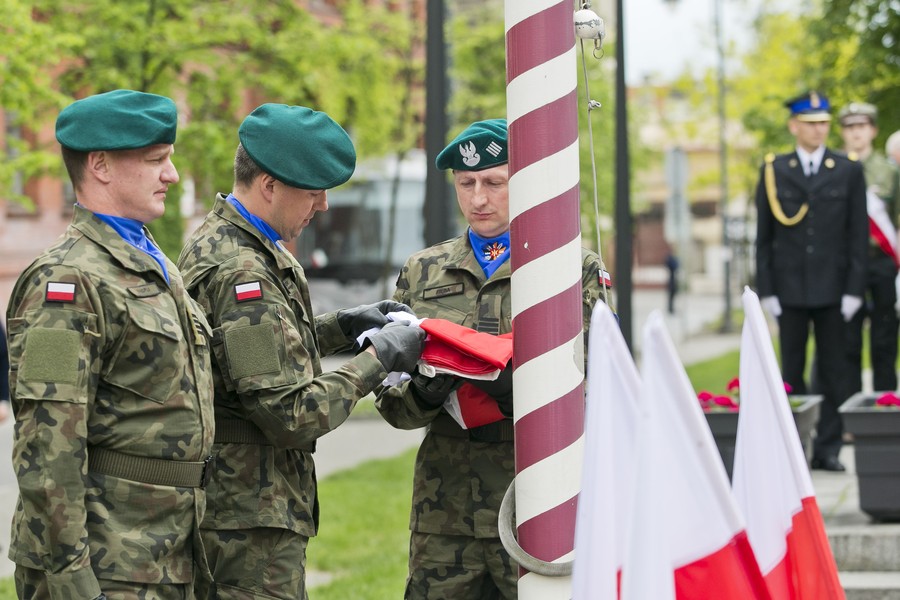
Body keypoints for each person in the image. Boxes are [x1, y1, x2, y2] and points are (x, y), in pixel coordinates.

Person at [177, 103, 426, 600]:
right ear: (270, 186)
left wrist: (344, 326)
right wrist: (378, 358)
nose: (324, 205)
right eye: (314, 192)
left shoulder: (229, 241)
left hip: (242, 509)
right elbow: (290, 413)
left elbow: (257, 351)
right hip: (247, 519)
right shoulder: (243, 272)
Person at [376, 119, 606, 599]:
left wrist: (515, 392)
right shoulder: (422, 271)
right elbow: (391, 400)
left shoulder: (568, 267)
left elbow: (594, 379)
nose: (478, 198)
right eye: (466, 183)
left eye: (494, 183)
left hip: (535, 500)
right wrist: (424, 393)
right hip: (445, 509)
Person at [6, 89, 215, 599]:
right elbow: (47, 443)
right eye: (156, 160)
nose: (172, 175)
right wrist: (73, 580)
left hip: (162, 551)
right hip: (107, 564)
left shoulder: (149, 262)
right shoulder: (66, 281)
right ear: (100, 165)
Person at [755, 91, 868, 472]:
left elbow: (857, 235)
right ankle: (793, 449)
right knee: (790, 371)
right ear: (794, 126)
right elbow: (764, 237)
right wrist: (767, 290)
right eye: (811, 123)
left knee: (835, 371)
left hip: (834, 289)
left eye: (823, 123)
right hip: (788, 289)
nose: (819, 130)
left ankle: (828, 448)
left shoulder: (848, 169)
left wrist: (854, 289)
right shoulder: (774, 169)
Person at [837, 102, 900, 393]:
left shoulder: (890, 172)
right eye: (850, 127)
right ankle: (847, 406)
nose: (856, 133)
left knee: (884, 339)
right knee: (846, 340)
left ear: (873, 130)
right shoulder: (835, 169)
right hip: (847, 263)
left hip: (880, 261)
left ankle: (885, 405)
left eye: (861, 126)